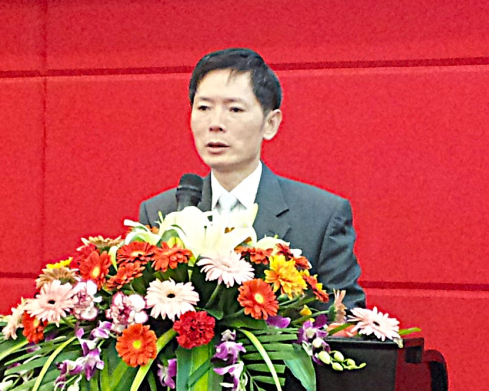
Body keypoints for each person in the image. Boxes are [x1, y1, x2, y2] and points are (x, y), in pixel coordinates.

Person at [138, 47, 364, 308]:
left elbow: (345, 321)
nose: (215, 123)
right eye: (204, 107)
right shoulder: (160, 212)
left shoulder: (320, 217)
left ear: (270, 124)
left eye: (234, 109)